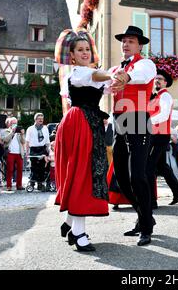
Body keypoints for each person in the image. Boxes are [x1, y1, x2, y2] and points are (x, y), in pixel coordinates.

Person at [55, 36, 115, 251]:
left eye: (87, 49)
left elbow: (105, 83)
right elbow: (96, 75)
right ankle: (77, 232)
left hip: (90, 124)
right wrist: (112, 74)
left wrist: (117, 78)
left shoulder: (91, 75)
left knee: (87, 173)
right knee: (83, 173)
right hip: (79, 123)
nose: (85, 52)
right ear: (72, 55)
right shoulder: (78, 73)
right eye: (80, 50)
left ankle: (70, 223)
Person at [109, 26, 156, 246]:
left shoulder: (145, 64)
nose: (126, 44)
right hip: (119, 120)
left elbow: (140, 76)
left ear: (139, 45)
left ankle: (146, 227)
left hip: (138, 119)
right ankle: (144, 216)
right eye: (124, 41)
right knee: (120, 176)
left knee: (138, 176)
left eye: (131, 41)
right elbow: (102, 82)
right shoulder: (116, 67)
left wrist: (125, 76)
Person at [147, 69, 178, 208]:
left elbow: (163, 115)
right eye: (156, 78)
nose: (157, 80)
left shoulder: (165, 96)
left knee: (149, 167)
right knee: (161, 166)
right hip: (155, 134)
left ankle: (152, 201)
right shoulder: (156, 96)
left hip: (160, 135)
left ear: (165, 83)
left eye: (160, 79)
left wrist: (147, 121)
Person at [25, 113, 50, 191]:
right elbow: (27, 141)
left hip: (42, 149)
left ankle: (40, 184)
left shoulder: (45, 128)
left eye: (42, 118)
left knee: (42, 167)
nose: (41, 120)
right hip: (33, 149)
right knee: (34, 167)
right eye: (39, 118)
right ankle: (32, 183)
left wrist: (48, 151)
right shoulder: (30, 129)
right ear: (35, 119)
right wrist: (27, 152)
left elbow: (47, 141)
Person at [1, 117, 26, 191]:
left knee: (20, 169)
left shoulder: (19, 131)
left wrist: (22, 134)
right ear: (9, 124)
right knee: (10, 169)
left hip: (19, 153)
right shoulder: (5, 131)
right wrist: (12, 132)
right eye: (13, 123)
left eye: (15, 123)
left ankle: (19, 185)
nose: (14, 124)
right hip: (10, 153)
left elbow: (23, 141)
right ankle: (9, 185)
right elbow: (5, 140)